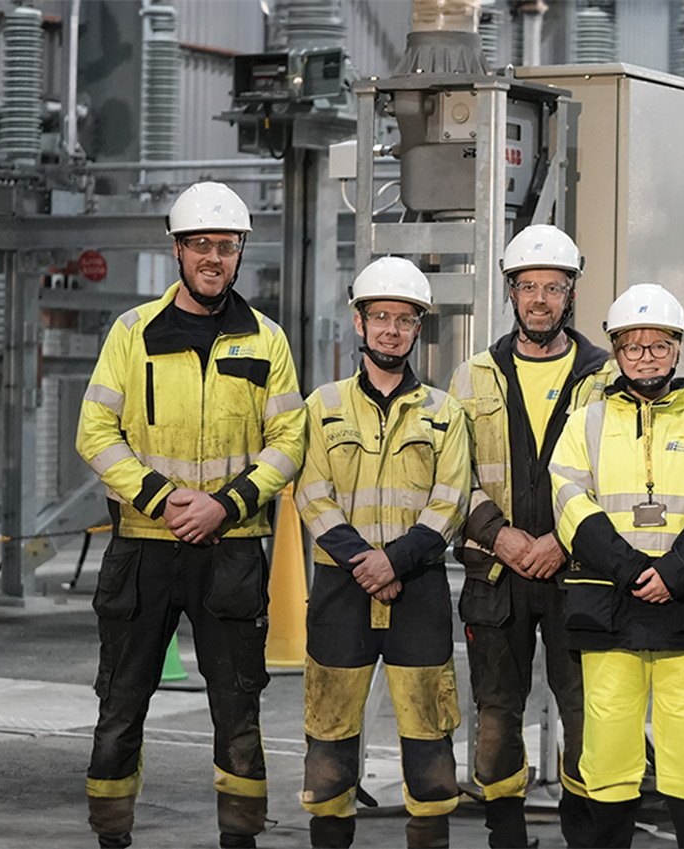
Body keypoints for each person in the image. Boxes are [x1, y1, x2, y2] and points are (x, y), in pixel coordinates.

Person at [76, 181, 306, 849]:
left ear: (239, 255)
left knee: (238, 708)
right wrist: (161, 496)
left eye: (226, 247)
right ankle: (111, 836)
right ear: (177, 250)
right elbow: (95, 430)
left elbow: (289, 439)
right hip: (142, 550)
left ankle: (241, 839)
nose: (213, 257)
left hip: (231, 550)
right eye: (200, 244)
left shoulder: (266, 340)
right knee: (121, 705)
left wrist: (225, 504)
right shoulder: (131, 333)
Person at [549, 283, 684, 849]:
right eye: (632, 347)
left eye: (659, 346)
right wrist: (633, 571)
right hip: (610, 605)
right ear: (615, 352)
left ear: (678, 349)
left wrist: (675, 573)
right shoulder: (584, 424)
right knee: (608, 753)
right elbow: (568, 498)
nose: (646, 358)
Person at [295, 257, 470, 849]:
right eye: (381, 317)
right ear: (360, 322)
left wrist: (394, 562)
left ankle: (430, 837)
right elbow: (310, 493)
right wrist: (365, 563)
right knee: (329, 727)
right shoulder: (322, 406)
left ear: (419, 327)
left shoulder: (445, 413)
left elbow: (451, 500)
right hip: (341, 589)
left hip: (417, 588)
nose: (392, 330)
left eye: (404, 319)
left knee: (428, 730)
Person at [448, 224, 614, 849]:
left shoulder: (604, 377)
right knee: (496, 714)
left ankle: (583, 831)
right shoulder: (473, 376)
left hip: (581, 573)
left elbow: (614, 475)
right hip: (498, 572)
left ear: (571, 293)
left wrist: (564, 543)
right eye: (528, 287)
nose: (540, 298)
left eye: (553, 286)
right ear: (511, 293)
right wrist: (502, 537)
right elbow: (449, 475)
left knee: (584, 712)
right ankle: (505, 832)